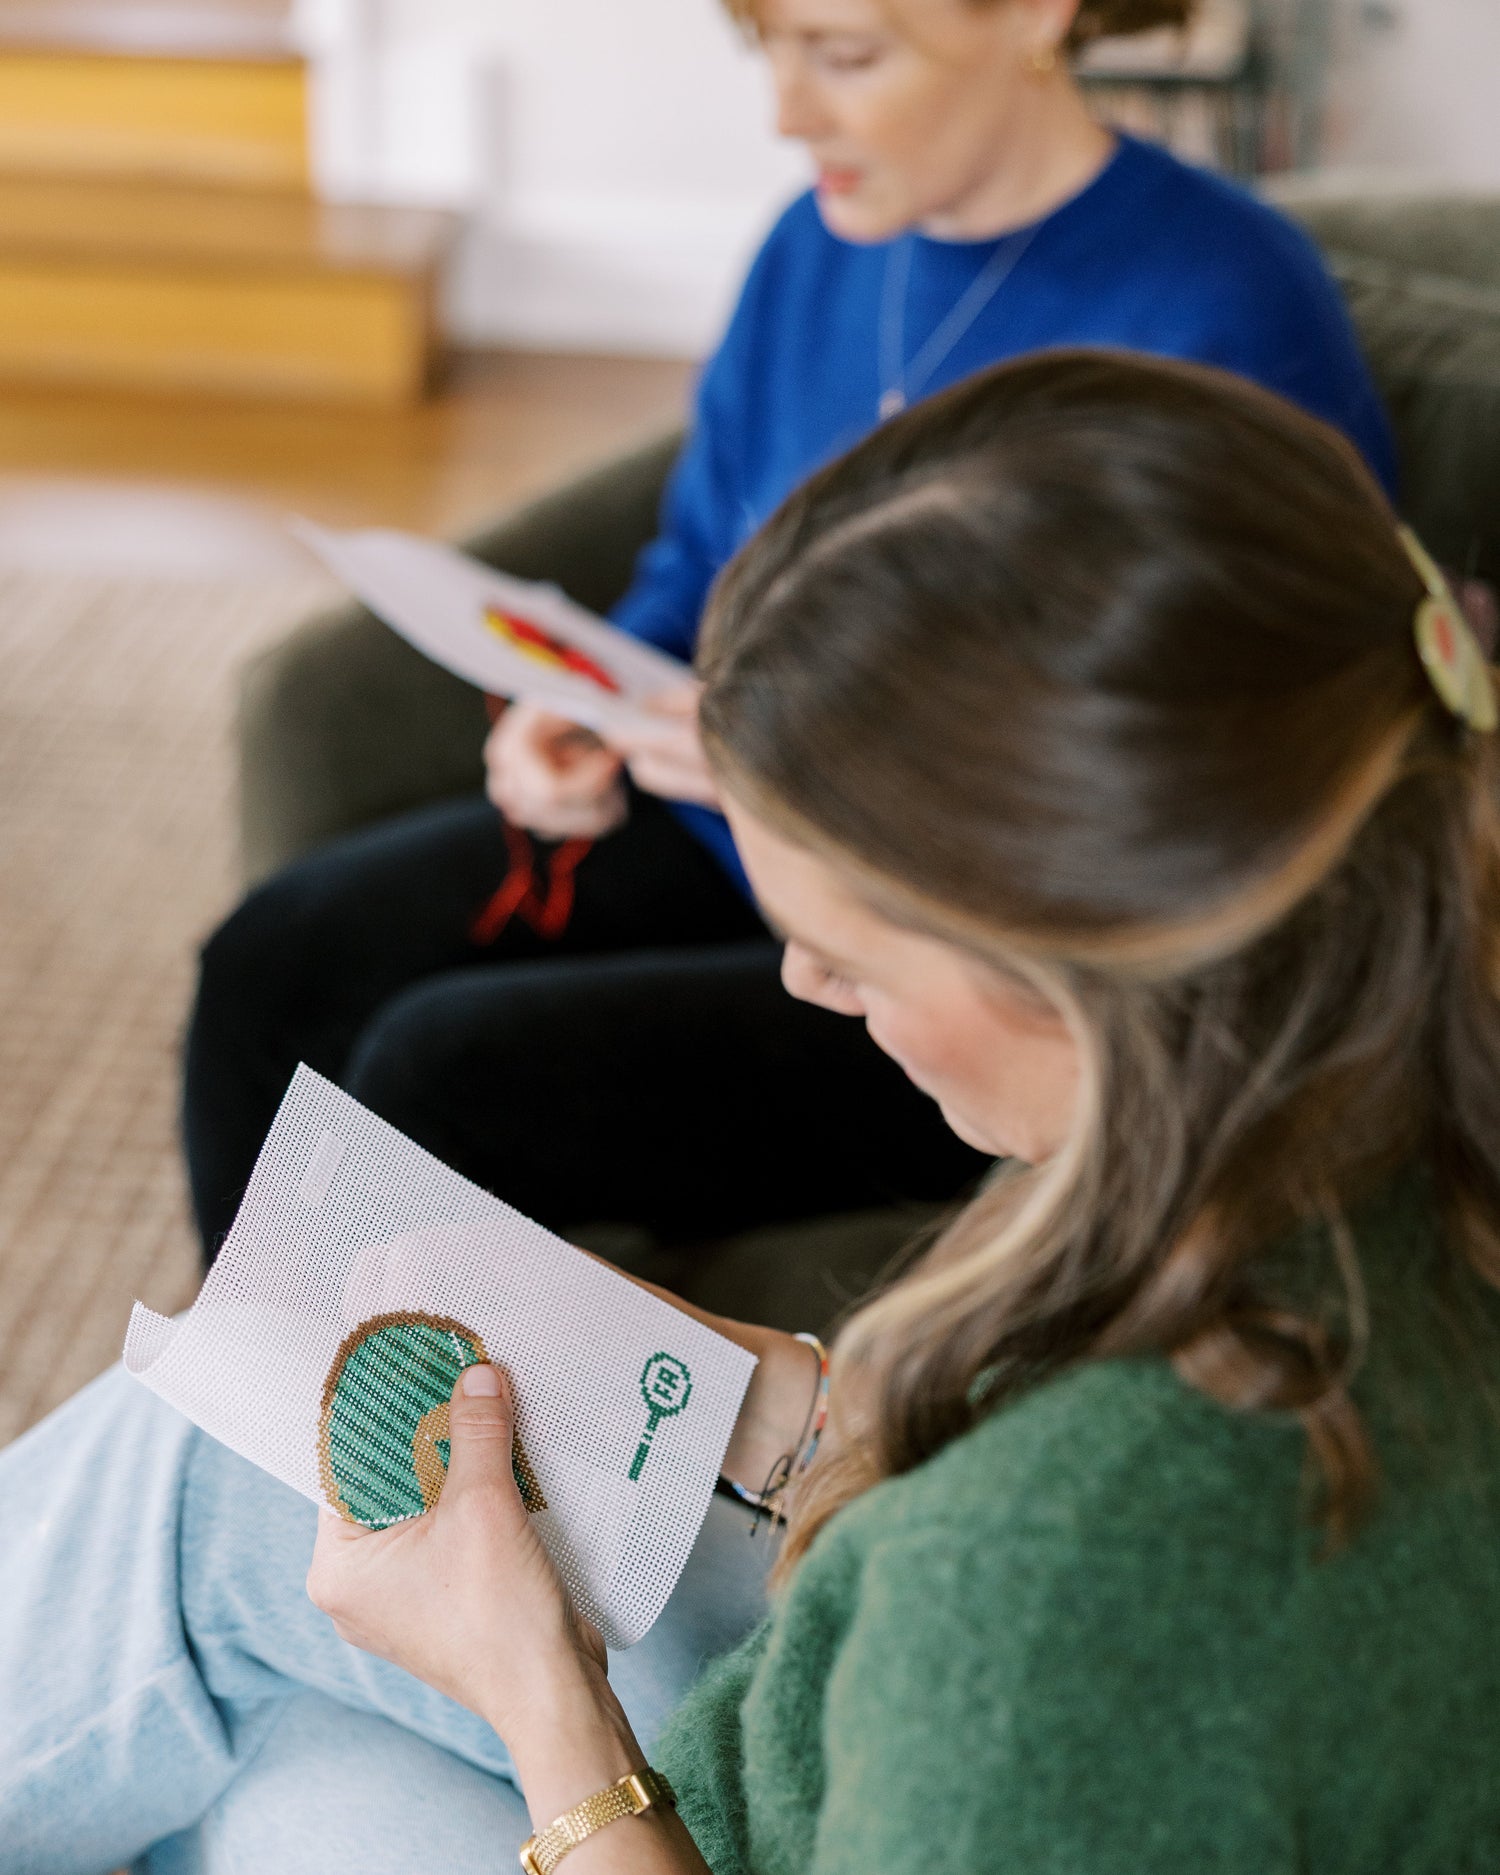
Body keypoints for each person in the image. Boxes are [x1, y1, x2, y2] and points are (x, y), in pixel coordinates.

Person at [3, 352, 1497, 1871]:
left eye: (850, 947)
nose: (802, 979)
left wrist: (539, 1689)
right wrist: (776, 1399)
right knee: (252, 1729)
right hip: (825, 1725)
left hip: (752, 1799)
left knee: (199, 1538)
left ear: (1076, 967)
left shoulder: (1043, 1583)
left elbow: (1047, 1602)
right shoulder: (1389, 1141)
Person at [183, 0, 1398, 1263]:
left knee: (442, 1070)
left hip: (961, 967)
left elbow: (1217, 787)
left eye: (846, 55)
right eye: (768, 47)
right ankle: (250, 1408)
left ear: (1038, 16)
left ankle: (370, 1432)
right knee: (278, 959)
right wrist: (590, 699)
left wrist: (806, 770)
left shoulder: (1225, 312)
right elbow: (705, 551)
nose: (785, 112)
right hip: (731, 836)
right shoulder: (816, 245)